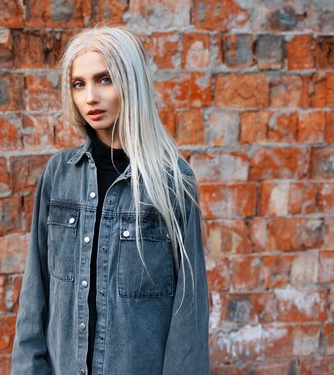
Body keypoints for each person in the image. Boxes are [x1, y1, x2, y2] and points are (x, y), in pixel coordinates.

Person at [11, 26, 209, 375]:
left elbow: (188, 316)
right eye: (79, 84)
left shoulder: (171, 181)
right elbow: (34, 297)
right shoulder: (58, 176)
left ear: (130, 83)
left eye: (104, 79)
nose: (90, 97)